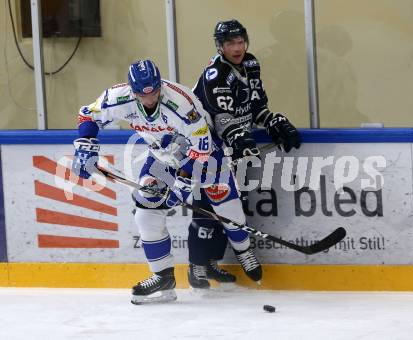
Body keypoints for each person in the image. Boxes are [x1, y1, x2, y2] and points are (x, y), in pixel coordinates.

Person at [72, 59, 262, 304]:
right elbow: (88, 114)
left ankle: (244, 249)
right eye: (142, 94)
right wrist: (86, 147)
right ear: (133, 90)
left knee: (224, 203)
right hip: (162, 156)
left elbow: (201, 146)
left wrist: (182, 185)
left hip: (203, 152)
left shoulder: (181, 103)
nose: (150, 99)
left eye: (154, 91)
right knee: (146, 212)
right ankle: (163, 278)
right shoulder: (119, 97)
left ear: (159, 83)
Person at [187, 19, 301, 289]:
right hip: (206, 145)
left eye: (240, 41)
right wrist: (237, 136)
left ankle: (212, 262)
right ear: (220, 46)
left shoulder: (251, 64)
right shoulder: (215, 74)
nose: (237, 47)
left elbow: (255, 106)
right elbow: (222, 116)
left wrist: (272, 121)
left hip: (231, 144)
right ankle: (196, 266)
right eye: (230, 43)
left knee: (228, 204)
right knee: (206, 205)